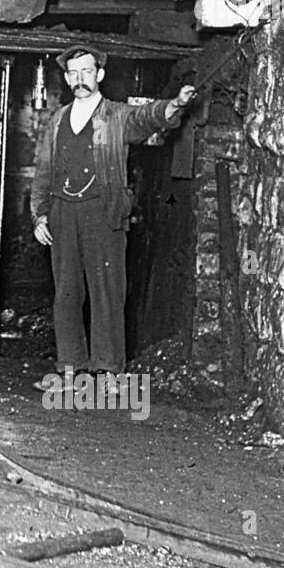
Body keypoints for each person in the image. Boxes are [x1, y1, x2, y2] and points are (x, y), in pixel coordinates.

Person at [30, 45, 195, 391]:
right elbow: (43, 171)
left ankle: (107, 372)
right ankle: (70, 371)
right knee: (67, 292)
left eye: (86, 72)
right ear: (66, 78)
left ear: (99, 75)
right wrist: (39, 216)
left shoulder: (116, 116)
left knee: (106, 289)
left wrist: (174, 105)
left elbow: (146, 117)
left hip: (102, 210)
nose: (79, 79)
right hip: (63, 212)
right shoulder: (58, 119)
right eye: (73, 73)